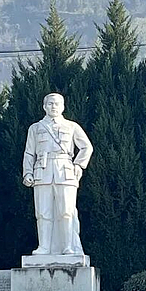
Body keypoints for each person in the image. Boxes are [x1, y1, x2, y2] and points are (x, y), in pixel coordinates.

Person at [23, 93, 93, 256]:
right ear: (44, 106)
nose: (53, 106)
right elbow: (29, 153)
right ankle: (44, 247)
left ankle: (67, 247)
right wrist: (27, 172)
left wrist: (79, 164)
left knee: (66, 211)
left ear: (63, 107)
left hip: (65, 172)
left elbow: (86, 147)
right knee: (42, 212)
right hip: (42, 172)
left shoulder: (71, 126)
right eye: (50, 103)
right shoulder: (35, 128)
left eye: (57, 104)